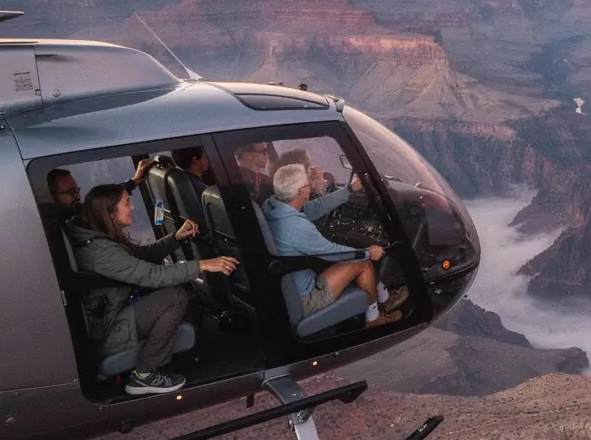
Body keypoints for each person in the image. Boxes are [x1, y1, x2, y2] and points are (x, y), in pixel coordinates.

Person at [67, 183, 238, 395]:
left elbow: (142, 257)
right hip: (108, 331)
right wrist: (202, 265)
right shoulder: (100, 251)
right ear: (110, 214)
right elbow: (152, 275)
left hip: (112, 315)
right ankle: (145, 375)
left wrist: (176, 237)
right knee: (175, 296)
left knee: (174, 289)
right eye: (127, 203)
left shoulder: (98, 237)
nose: (132, 207)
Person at [261, 163, 407, 326]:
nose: (310, 187)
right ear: (301, 191)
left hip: (288, 289)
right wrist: (368, 252)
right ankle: (374, 319)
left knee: (358, 257)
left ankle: (385, 298)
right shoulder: (297, 227)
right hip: (305, 299)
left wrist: (349, 189)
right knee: (362, 261)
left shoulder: (273, 206)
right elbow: (333, 253)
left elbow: (316, 207)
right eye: (308, 184)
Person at [48, 158, 158, 222]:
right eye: (70, 192)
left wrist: (134, 181)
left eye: (77, 190)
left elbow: (104, 201)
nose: (76, 196)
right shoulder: (53, 225)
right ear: (53, 195)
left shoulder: (78, 211)